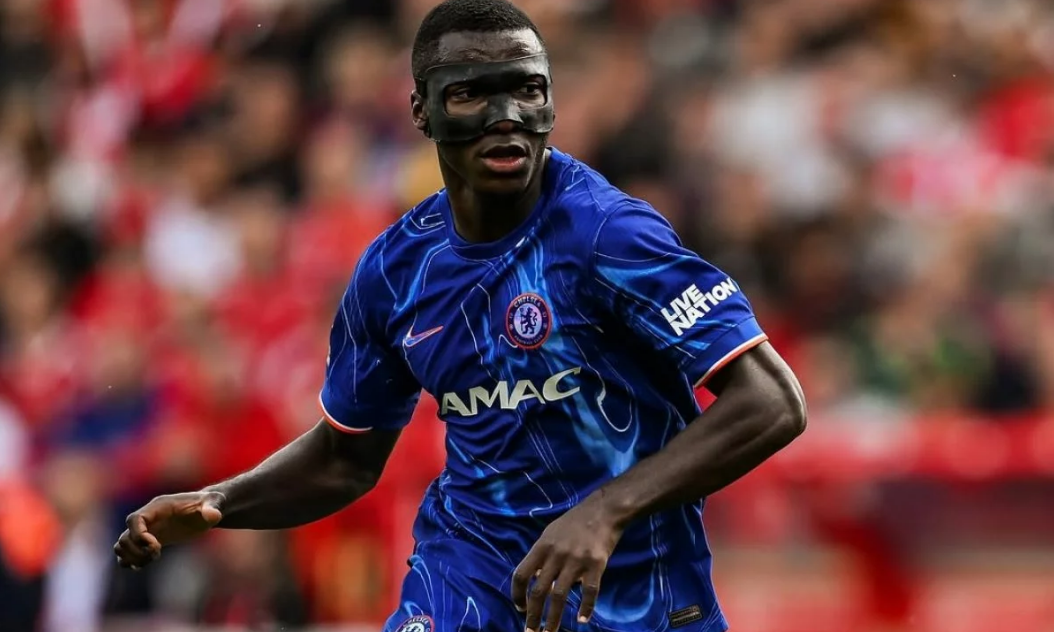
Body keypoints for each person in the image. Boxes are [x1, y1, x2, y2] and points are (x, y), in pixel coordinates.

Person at [113, 1, 808, 631]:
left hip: (636, 597)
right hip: (467, 580)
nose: (506, 114)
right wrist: (217, 501)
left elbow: (772, 400)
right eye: (473, 92)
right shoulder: (395, 271)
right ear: (422, 111)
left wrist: (606, 510)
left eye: (527, 89)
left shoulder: (608, 235)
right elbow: (344, 459)